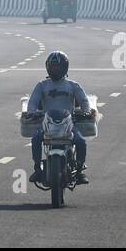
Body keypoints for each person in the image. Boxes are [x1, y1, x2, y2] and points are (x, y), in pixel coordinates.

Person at [27, 51, 89, 185]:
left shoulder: (73, 85)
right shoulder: (42, 85)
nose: (54, 69)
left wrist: (86, 111)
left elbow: (84, 101)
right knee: (36, 139)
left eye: (57, 66)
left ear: (64, 67)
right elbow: (32, 102)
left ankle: (79, 170)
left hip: (69, 123)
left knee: (81, 141)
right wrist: (31, 112)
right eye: (52, 66)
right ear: (47, 67)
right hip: (47, 123)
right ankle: (37, 168)